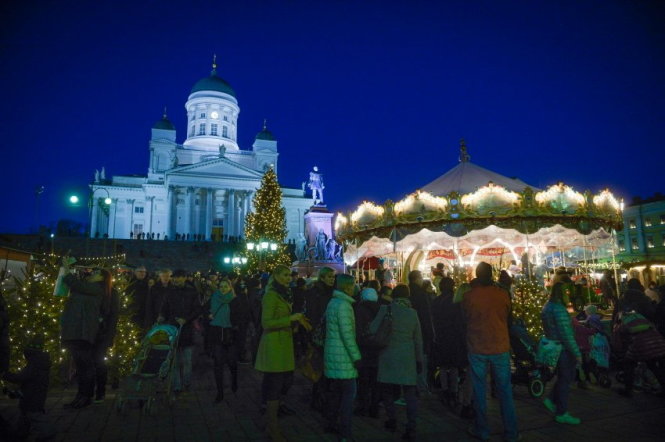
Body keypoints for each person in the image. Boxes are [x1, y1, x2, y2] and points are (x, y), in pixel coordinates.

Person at [462, 262, 519, 441]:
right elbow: (509, 320)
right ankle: (511, 432)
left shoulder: (469, 297)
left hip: (477, 346)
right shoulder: (503, 295)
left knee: (479, 390)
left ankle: (482, 429)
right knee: (505, 390)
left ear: (477, 276)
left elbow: (465, 320)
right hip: (500, 345)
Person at [255, 265, 311, 442]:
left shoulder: (284, 293)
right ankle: (273, 427)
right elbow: (266, 322)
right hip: (274, 345)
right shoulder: (271, 294)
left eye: (289, 275)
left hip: (284, 343)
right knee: (275, 385)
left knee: (285, 381)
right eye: (285, 275)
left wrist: (296, 322)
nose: (289, 278)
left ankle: (269, 421)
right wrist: (290, 319)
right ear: (276, 276)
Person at [371, 284, 423, 440]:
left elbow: (373, 329)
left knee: (387, 389)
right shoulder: (412, 313)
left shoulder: (385, 310)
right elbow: (418, 340)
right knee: (409, 393)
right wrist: (419, 360)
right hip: (407, 357)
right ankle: (411, 426)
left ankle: (391, 418)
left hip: (388, 355)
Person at [61, 265, 108, 409]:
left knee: (85, 366)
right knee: (80, 366)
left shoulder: (98, 288)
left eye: (96, 272)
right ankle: (80, 396)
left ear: (102, 277)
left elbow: (75, 284)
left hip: (84, 333)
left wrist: (66, 271)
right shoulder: (88, 287)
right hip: (76, 331)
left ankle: (86, 396)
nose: (92, 273)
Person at [323, 274, 361, 441]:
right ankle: (345, 433)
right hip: (343, 357)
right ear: (347, 287)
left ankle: (331, 423)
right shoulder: (344, 306)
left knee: (336, 393)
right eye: (352, 285)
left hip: (332, 353)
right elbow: (347, 335)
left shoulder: (333, 302)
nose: (354, 288)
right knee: (348, 395)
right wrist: (356, 357)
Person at [431, 276, 473, 419]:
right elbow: (459, 322)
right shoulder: (454, 302)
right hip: (453, 337)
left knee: (443, 365)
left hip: (441, 337)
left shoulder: (436, 301)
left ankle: (445, 389)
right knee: (454, 365)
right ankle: (453, 390)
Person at [541, 281, 583, 424]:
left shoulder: (547, 307)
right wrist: (577, 353)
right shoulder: (559, 309)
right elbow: (566, 334)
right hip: (563, 349)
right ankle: (562, 411)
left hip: (555, 346)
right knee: (566, 379)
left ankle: (552, 399)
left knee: (562, 377)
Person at [2, 335, 56, 440]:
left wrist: (5, 375)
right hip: (34, 395)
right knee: (24, 417)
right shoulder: (40, 364)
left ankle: (48, 431)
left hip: (31, 397)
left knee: (34, 416)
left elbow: (20, 377)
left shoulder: (33, 366)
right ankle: (20, 434)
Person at [159, 269, 200, 393]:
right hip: (173, 329)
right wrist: (161, 315)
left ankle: (186, 382)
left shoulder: (192, 292)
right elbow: (165, 307)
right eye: (174, 277)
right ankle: (177, 385)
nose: (176, 280)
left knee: (187, 360)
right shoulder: (169, 292)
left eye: (179, 277)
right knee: (175, 360)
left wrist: (186, 319)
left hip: (186, 330)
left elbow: (197, 309)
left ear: (184, 278)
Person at [304, 266, 336, 412]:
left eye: (333, 277)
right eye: (329, 277)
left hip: (328, 333)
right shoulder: (315, 293)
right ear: (322, 277)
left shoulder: (332, 293)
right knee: (320, 366)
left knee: (325, 367)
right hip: (319, 334)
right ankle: (319, 398)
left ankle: (321, 396)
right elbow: (313, 314)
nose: (332, 279)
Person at [208, 277, 238, 402]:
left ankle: (234, 379)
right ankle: (220, 392)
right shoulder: (214, 297)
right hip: (216, 333)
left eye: (226, 286)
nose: (223, 289)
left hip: (231, 334)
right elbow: (205, 311)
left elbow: (241, 317)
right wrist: (208, 315)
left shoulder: (235, 300)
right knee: (218, 364)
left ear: (230, 287)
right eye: (221, 286)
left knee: (231, 362)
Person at [353, 287, 381, 418]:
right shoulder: (381, 309)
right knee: (375, 382)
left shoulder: (359, 310)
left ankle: (363, 406)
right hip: (378, 348)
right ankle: (374, 407)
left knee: (364, 381)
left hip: (363, 348)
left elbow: (357, 330)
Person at [92, 270, 119, 402]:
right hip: (93, 333)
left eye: (96, 273)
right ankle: (94, 392)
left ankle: (100, 391)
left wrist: (110, 335)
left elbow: (113, 316)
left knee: (99, 362)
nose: (92, 274)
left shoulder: (111, 293)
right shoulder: (92, 290)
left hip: (101, 333)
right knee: (95, 362)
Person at [408, 270, 435, 392]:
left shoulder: (408, 292)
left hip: (409, 332)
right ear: (417, 279)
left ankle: (412, 384)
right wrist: (430, 333)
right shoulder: (421, 294)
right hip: (421, 331)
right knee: (421, 358)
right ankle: (420, 385)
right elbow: (426, 316)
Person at [127, 266, 150, 330]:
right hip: (132, 312)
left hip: (144, 312)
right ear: (135, 273)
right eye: (140, 271)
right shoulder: (130, 283)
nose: (142, 273)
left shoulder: (148, 284)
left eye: (144, 272)